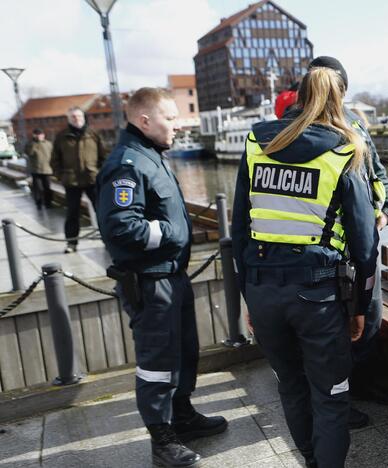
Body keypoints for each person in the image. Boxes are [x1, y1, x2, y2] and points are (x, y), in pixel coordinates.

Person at [231, 66, 379, 468]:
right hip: (317, 294)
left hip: (263, 289)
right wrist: (361, 307)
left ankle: (312, 461)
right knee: (331, 397)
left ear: (297, 95)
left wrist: (249, 297)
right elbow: (365, 245)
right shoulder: (344, 150)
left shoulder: (256, 144)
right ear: (339, 100)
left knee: (292, 388)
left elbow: (240, 231)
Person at [97, 87, 228, 468]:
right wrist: (174, 234)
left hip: (172, 277)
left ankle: (182, 417)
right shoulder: (128, 163)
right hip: (151, 281)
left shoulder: (151, 155)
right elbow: (121, 228)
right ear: (145, 121)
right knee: (157, 362)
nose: (177, 124)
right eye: (170, 118)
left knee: (184, 352)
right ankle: (162, 441)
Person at [290, 56, 388, 430]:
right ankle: (336, 398)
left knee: (368, 319)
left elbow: (378, 177)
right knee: (330, 332)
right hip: (321, 251)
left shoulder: (355, 125)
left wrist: (383, 214)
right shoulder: (290, 129)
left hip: (361, 243)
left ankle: (361, 385)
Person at [51, 106, 106, 253]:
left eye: (79, 116)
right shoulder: (61, 137)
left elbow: (104, 156)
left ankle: (108, 239)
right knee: (72, 213)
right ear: (69, 119)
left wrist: (101, 173)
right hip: (71, 181)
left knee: (102, 210)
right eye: (73, 117)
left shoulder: (93, 134)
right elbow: (55, 160)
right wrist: (61, 176)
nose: (77, 119)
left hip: (92, 178)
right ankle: (71, 243)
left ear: (83, 117)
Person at [24, 128, 53, 209]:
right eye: (37, 134)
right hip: (36, 170)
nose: (39, 136)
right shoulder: (30, 144)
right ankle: (38, 203)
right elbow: (29, 153)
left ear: (43, 135)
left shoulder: (48, 144)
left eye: (40, 134)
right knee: (38, 188)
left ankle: (48, 203)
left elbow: (53, 154)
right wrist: (34, 142)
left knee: (47, 187)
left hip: (47, 169)